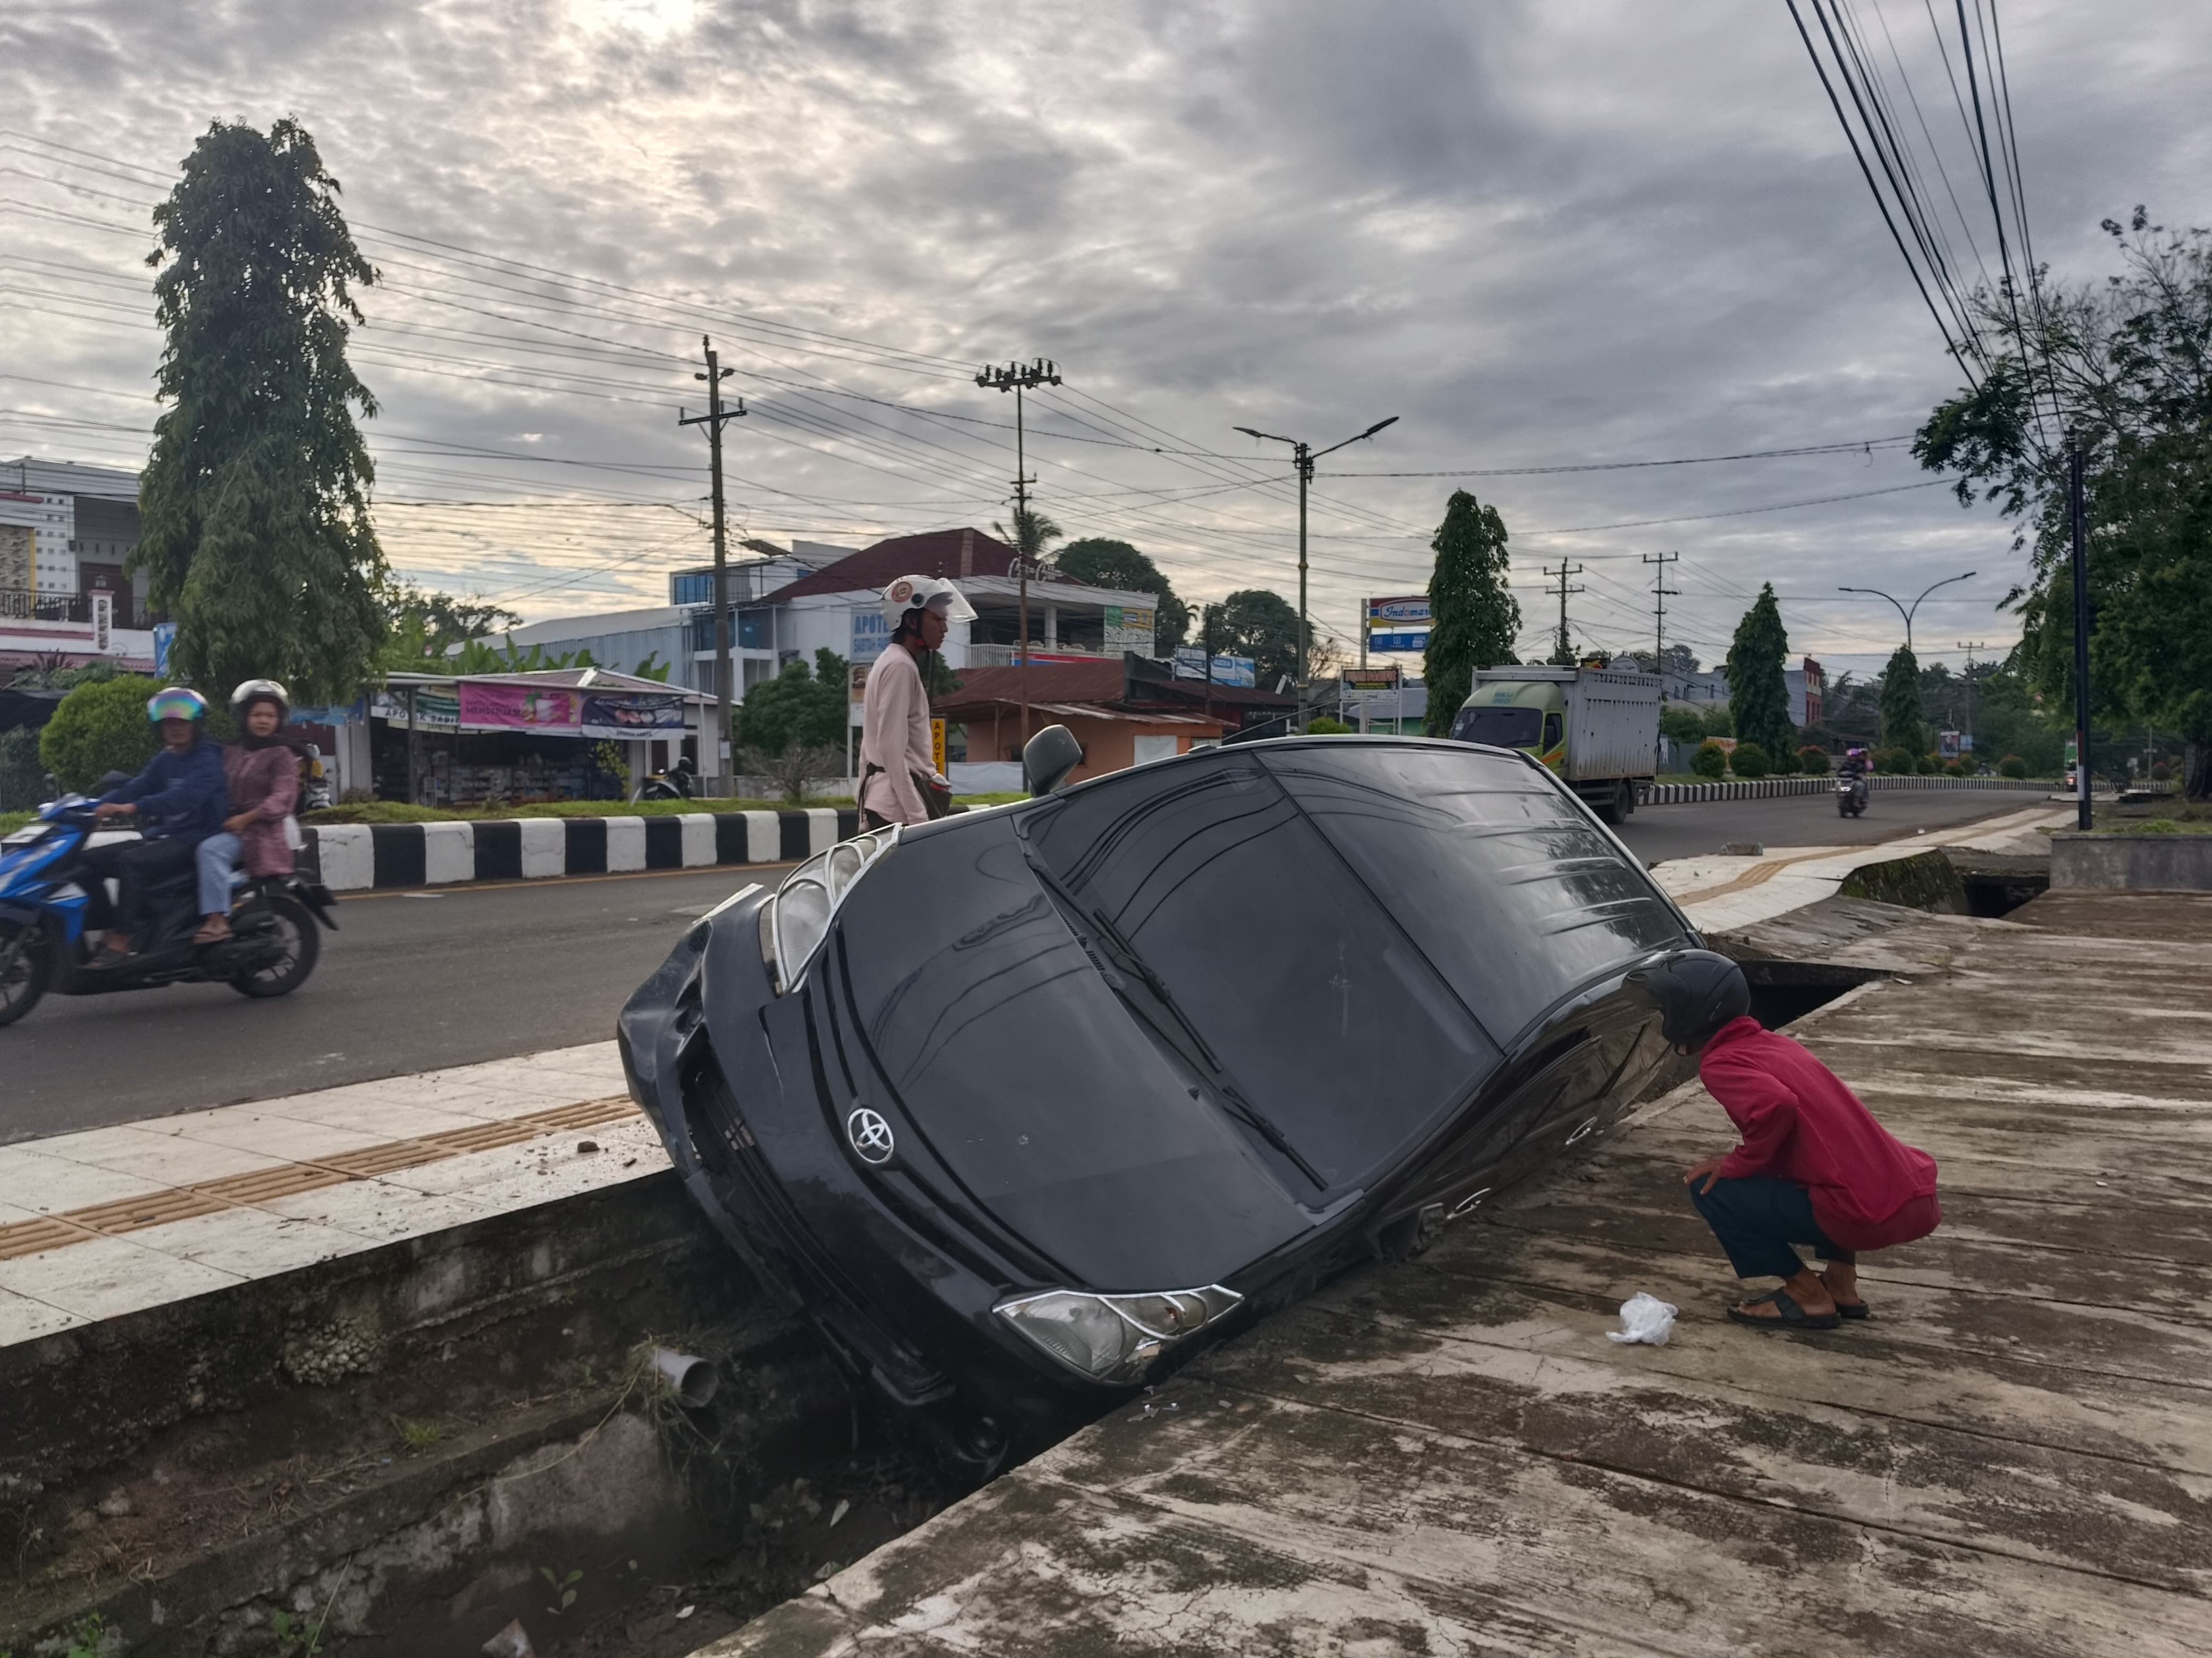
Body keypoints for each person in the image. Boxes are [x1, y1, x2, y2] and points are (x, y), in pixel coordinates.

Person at [1628, 950, 1941, 1332]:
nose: (1664, 1015)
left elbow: (1777, 1106)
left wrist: (1738, 1162)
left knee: (1708, 1187)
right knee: (1824, 1167)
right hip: (1907, 1197)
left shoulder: (1721, 1062)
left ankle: (1806, 1293)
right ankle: (1842, 1284)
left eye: (1667, 1007)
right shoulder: (1775, 1045)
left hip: (1865, 1216)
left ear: (1689, 1012)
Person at [82, 687, 228, 961]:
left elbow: (182, 798)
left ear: (196, 725)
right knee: (88, 861)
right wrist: (91, 806)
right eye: (168, 723)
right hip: (165, 836)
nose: (175, 728)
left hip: (195, 839)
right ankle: (109, 926)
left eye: (182, 722)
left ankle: (123, 940)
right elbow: (137, 786)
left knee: (132, 862)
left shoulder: (208, 760)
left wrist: (132, 808)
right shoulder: (166, 759)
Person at [858, 574, 975, 830]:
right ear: (910, 620)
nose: (944, 628)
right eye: (936, 619)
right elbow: (890, 748)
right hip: (897, 810)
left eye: (945, 620)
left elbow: (869, 748)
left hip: (888, 804)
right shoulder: (900, 667)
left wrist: (864, 812)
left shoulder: (892, 661)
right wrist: (919, 819)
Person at [194, 679, 301, 944]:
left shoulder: (282, 755)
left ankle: (217, 922)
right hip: (227, 825)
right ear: (244, 717)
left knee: (210, 851)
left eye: (270, 716)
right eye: (257, 715)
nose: (263, 721)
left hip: (261, 834)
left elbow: (283, 798)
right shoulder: (230, 751)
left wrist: (247, 818)